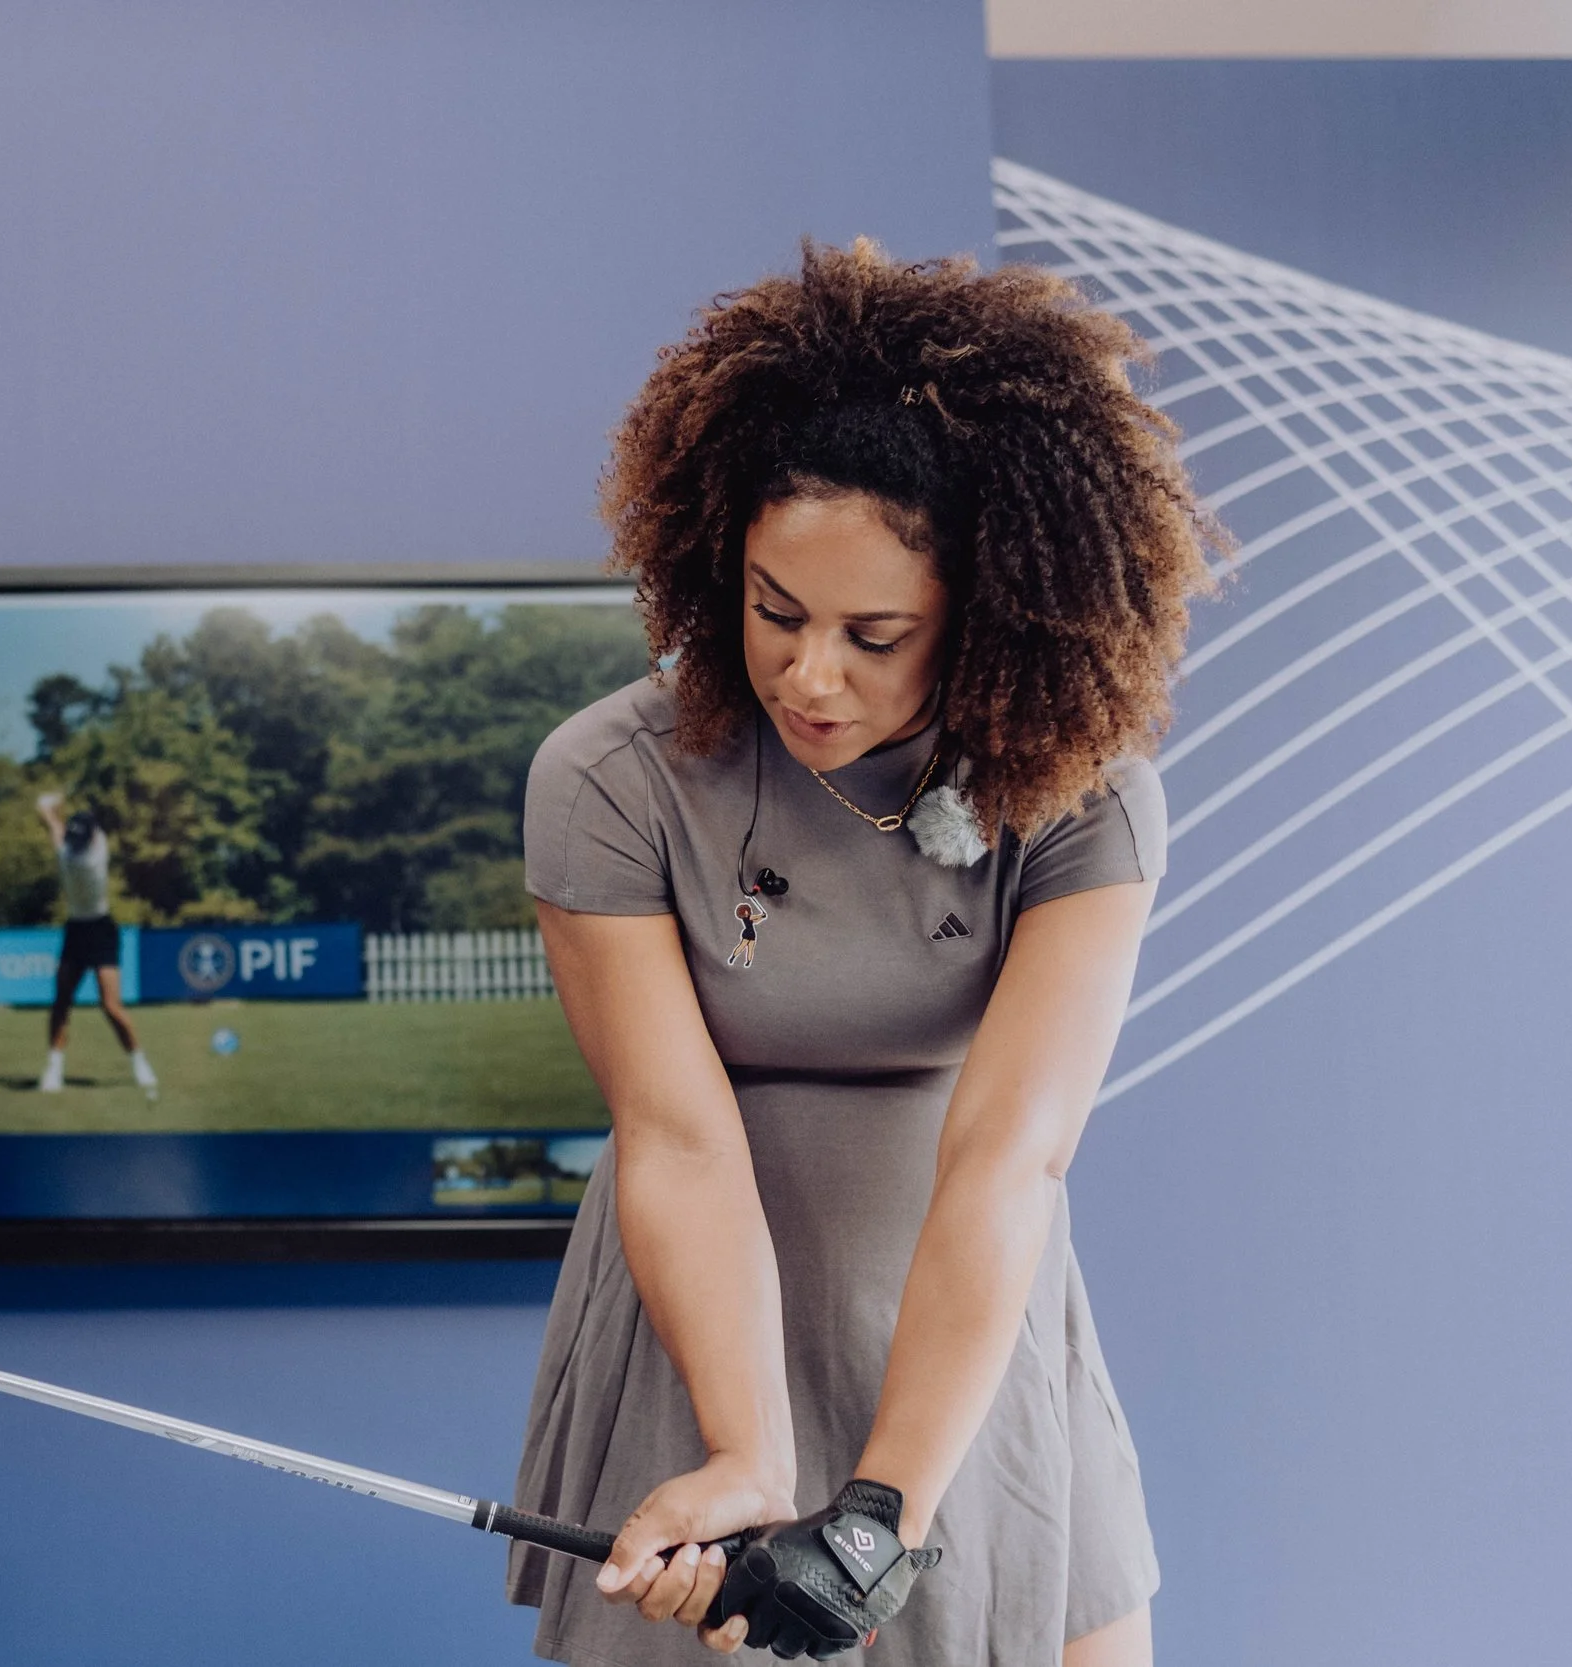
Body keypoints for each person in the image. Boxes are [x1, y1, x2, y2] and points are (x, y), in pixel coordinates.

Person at [510, 240, 1219, 1666]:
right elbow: (675, 1132)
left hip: (965, 1322)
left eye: (873, 632)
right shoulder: (608, 776)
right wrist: (746, 1454)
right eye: (775, 610)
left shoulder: (1083, 794)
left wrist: (883, 1503)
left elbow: (1011, 1151)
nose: (808, 673)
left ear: (990, 610)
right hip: (701, 1321)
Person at [34, 791, 156, 1095]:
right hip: (78, 929)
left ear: (88, 838)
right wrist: (59, 809)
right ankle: (54, 1069)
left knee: (110, 1005)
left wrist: (51, 806)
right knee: (61, 1000)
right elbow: (62, 829)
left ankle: (139, 1062)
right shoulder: (86, 847)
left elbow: (52, 825)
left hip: (100, 929)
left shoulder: (86, 859)